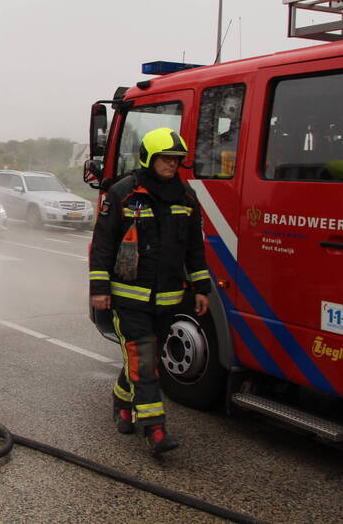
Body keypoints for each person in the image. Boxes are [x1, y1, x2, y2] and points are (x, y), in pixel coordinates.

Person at [88, 127, 212, 456]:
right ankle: (154, 430)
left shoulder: (186, 198)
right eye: (165, 159)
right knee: (144, 361)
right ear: (149, 158)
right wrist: (99, 289)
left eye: (176, 160)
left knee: (147, 358)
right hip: (128, 298)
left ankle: (122, 400)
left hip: (168, 299)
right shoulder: (123, 194)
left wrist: (202, 286)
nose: (172, 165)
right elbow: (103, 244)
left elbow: (194, 248)